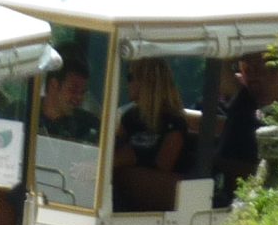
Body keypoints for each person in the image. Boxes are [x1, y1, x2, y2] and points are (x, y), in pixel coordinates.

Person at [112, 58, 190, 210]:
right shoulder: (129, 117)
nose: (127, 83)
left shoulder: (175, 123)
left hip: (156, 205)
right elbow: (114, 151)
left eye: (130, 77)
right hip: (123, 190)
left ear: (147, 82)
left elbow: (163, 167)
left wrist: (132, 159)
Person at [212, 50, 278, 206]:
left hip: (262, 191)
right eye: (247, 70)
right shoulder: (244, 100)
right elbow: (222, 69)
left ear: (277, 72)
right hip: (230, 190)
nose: (252, 76)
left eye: (259, 69)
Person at [36, 61, 95, 141]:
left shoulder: (87, 125)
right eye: (73, 90)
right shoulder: (25, 113)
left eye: (83, 92)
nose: (79, 97)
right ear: (54, 85)